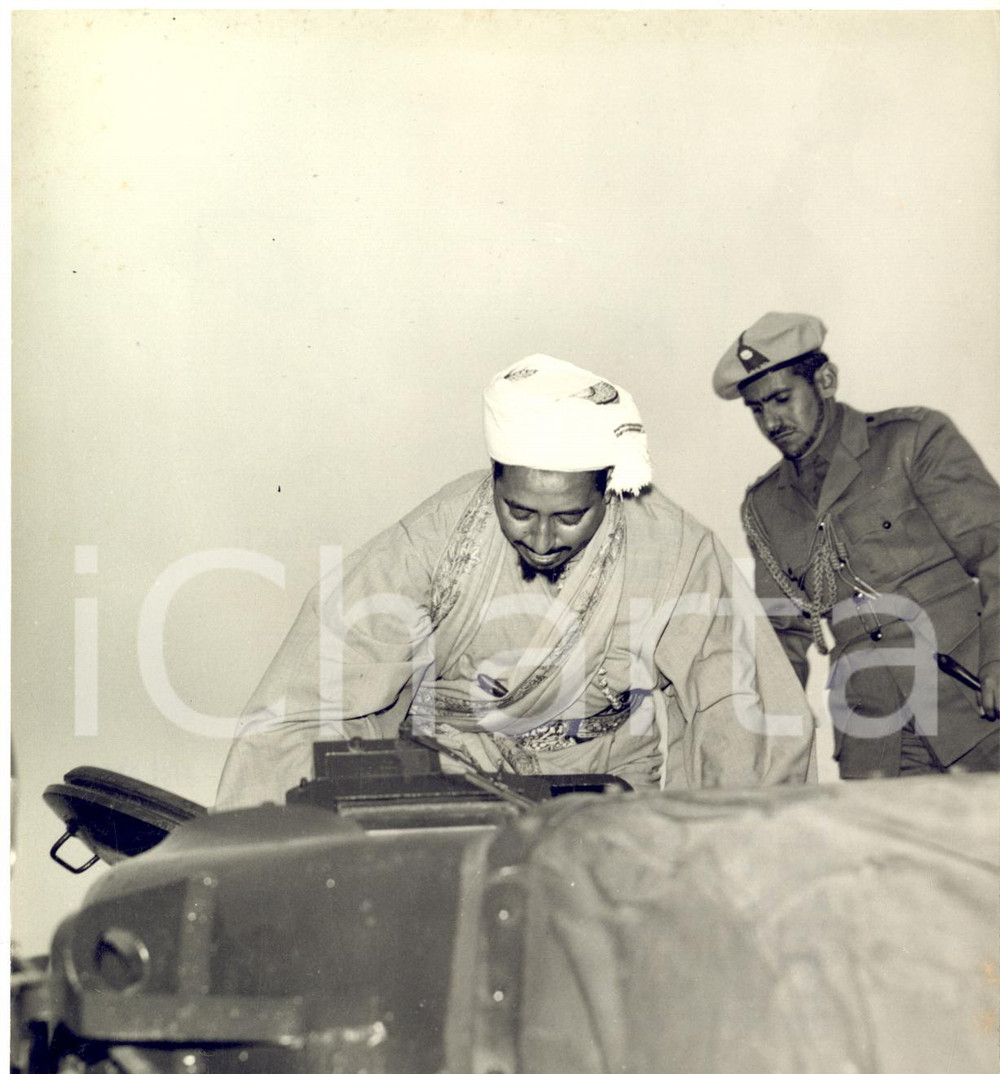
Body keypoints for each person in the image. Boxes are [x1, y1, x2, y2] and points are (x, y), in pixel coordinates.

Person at [216, 353, 815, 809]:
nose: (543, 539)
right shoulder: (436, 538)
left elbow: (741, 705)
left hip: (604, 787)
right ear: (494, 482)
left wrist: (729, 838)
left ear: (608, 490)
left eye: (570, 517)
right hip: (453, 778)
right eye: (519, 511)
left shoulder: (674, 548)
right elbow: (305, 701)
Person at [713, 312, 999, 778]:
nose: (771, 420)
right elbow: (781, 638)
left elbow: (996, 551)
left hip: (971, 698)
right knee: (885, 852)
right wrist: (764, 738)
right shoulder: (765, 506)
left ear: (825, 380)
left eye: (782, 398)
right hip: (873, 735)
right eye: (757, 408)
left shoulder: (912, 440)